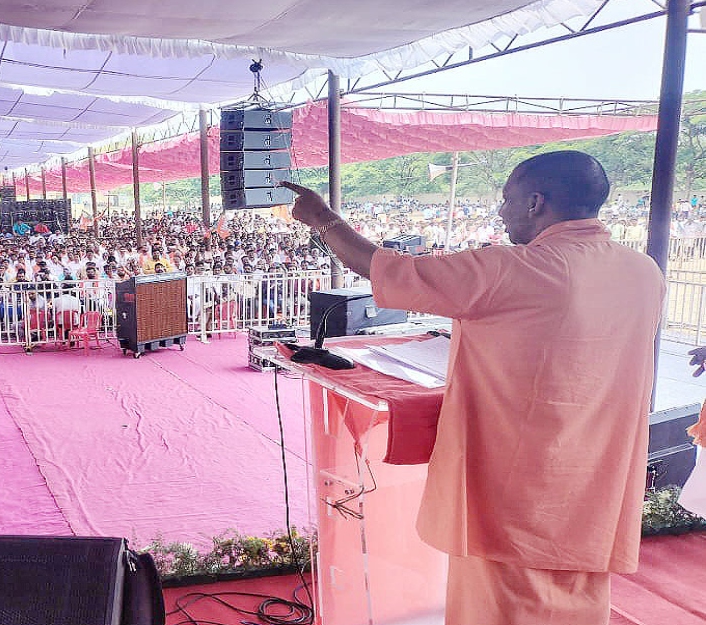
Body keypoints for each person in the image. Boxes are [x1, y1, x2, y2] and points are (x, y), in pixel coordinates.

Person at [282, 150, 665, 625]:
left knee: (503, 603)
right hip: (595, 476)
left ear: (536, 202)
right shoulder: (642, 271)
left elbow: (387, 269)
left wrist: (323, 219)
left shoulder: (517, 268)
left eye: (507, 200)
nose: (501, 212)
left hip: (519, 481)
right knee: (578, 594)